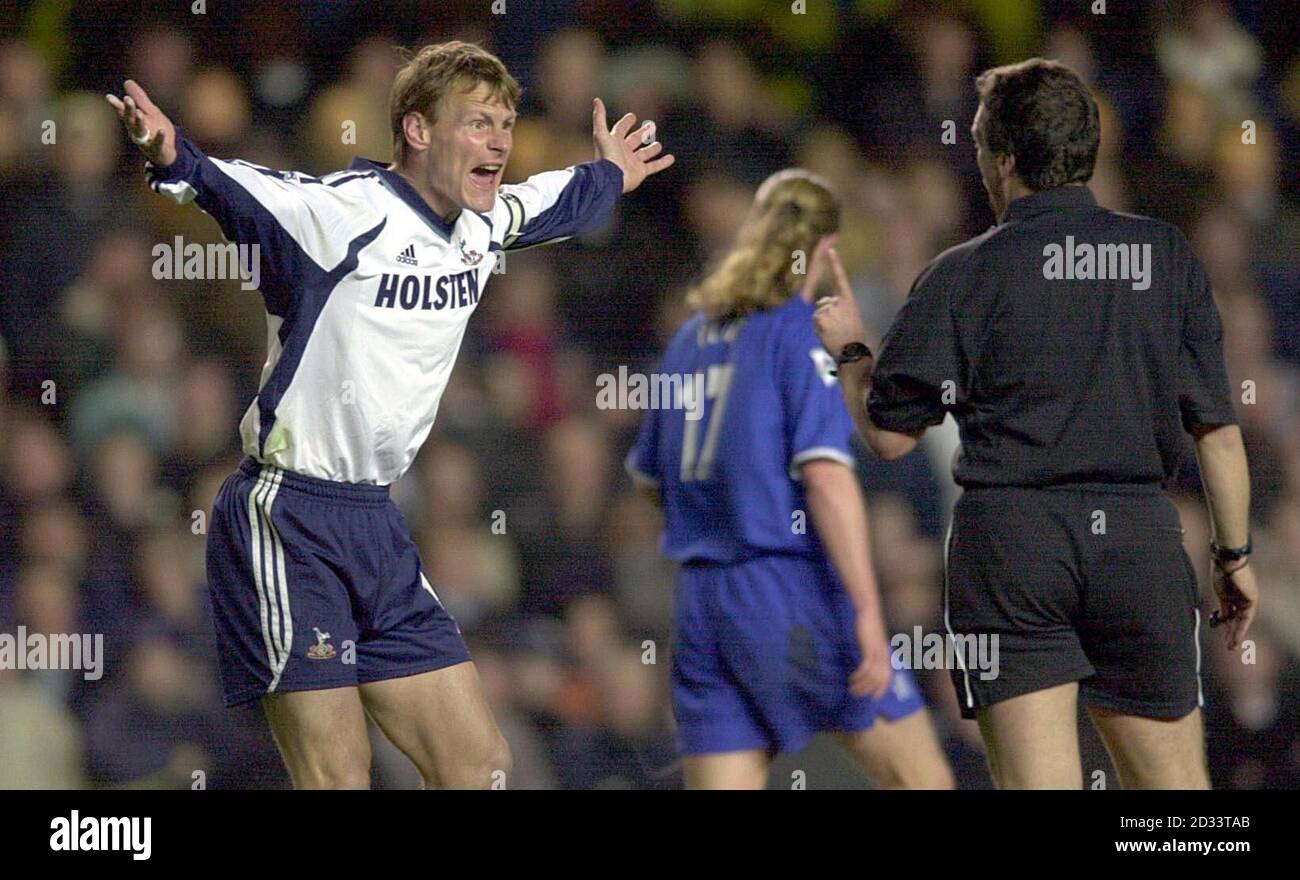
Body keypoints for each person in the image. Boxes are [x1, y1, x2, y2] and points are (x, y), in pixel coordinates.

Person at [106, 40, 674, 789]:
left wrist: (611, 176)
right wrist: (175, 156)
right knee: (339, 776)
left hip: (375, 522)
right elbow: (237, 189)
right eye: (477, 123)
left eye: (506, 123)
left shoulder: (480, 224)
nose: (500, 141)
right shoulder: (342, 214)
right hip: (290, 516)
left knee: (480, 766)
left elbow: (553, 200)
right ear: (416, 129)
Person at [811, 58, 1257, 789]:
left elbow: (890, 436)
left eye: (983, 148)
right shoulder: (1165, 257)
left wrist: (854, 352)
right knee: (1180, 812)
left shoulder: (961, 273)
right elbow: (1219, 430)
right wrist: (1233, 557)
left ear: (1008, 159)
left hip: (1010, 551)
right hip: (1138, 542)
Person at [626, 169, 953, 790]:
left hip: (702, 602)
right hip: (789, 594)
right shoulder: (796, 336)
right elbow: (828, 481)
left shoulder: (690, 340)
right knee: (922, 780)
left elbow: (649, 479)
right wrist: (865, 613)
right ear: (827, 250)